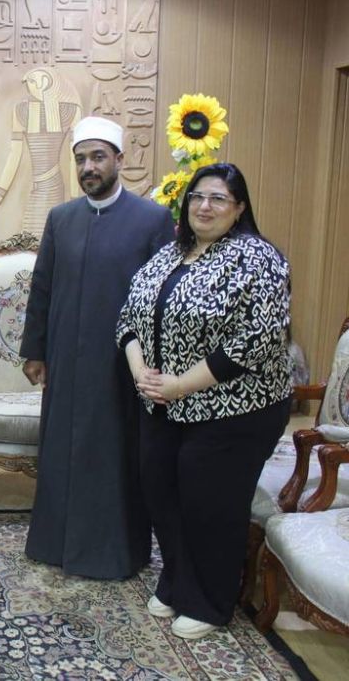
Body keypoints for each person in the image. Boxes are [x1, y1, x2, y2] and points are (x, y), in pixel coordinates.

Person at [117, 163, 291, 639]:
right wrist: (140, 371)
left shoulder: (258, 258)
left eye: (218, 198)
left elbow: (255, 341)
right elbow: (128, 317)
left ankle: (210, 601)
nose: (205, 206)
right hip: (163, 404)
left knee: (209, 502)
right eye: (197, 197)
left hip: (236, 408)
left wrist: (181, 385)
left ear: (239, 208)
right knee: (160, 492)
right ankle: (177, 581)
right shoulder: (169, 253)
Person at [20, 116, 175, 579]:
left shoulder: (152, 219)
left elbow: (163, 297)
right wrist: (35, 350)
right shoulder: (61, 218)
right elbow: (42, 287)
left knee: (113, 456)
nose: (89, 167)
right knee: (61, 452)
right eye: (81, 159)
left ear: (119, 160)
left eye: (98, 157)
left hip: (121, 366)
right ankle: (54, 545)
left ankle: (113, 553)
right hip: (66, 359)